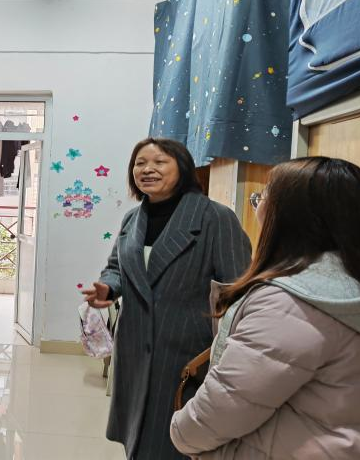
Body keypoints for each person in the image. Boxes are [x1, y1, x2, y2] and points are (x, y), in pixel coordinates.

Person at [171, 157, 360, 459]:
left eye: (261, 197)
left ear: (288, 215)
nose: (257, 207)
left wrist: (179, 431)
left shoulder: (288, 304)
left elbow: (217, 415)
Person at [82, 137, 251, 460]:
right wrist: (109, 288)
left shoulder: (215, 218)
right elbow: (117, 267)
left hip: (185, 351)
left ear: (183, 169)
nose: (147, 169)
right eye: (140, 163)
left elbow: (239, 289)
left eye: (159, 162)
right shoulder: (133, 219)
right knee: (138, 435)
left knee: (175, 441)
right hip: (134, 346)